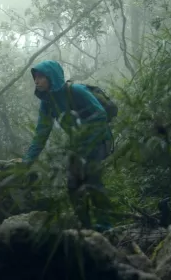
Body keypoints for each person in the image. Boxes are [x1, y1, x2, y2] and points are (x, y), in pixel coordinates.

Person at [21, 59, 114, 231]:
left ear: (52, 77)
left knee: (93, 181)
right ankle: (86, 228)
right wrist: (26, 162)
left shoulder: (76, 91)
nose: (36, 81)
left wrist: (87, 140)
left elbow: (100, 115)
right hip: (78, 147)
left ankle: (106, 226)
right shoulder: (47, 103)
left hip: (99, 139)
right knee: (73, 186)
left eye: (41, 77)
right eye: (35, 77)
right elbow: (41, 134)